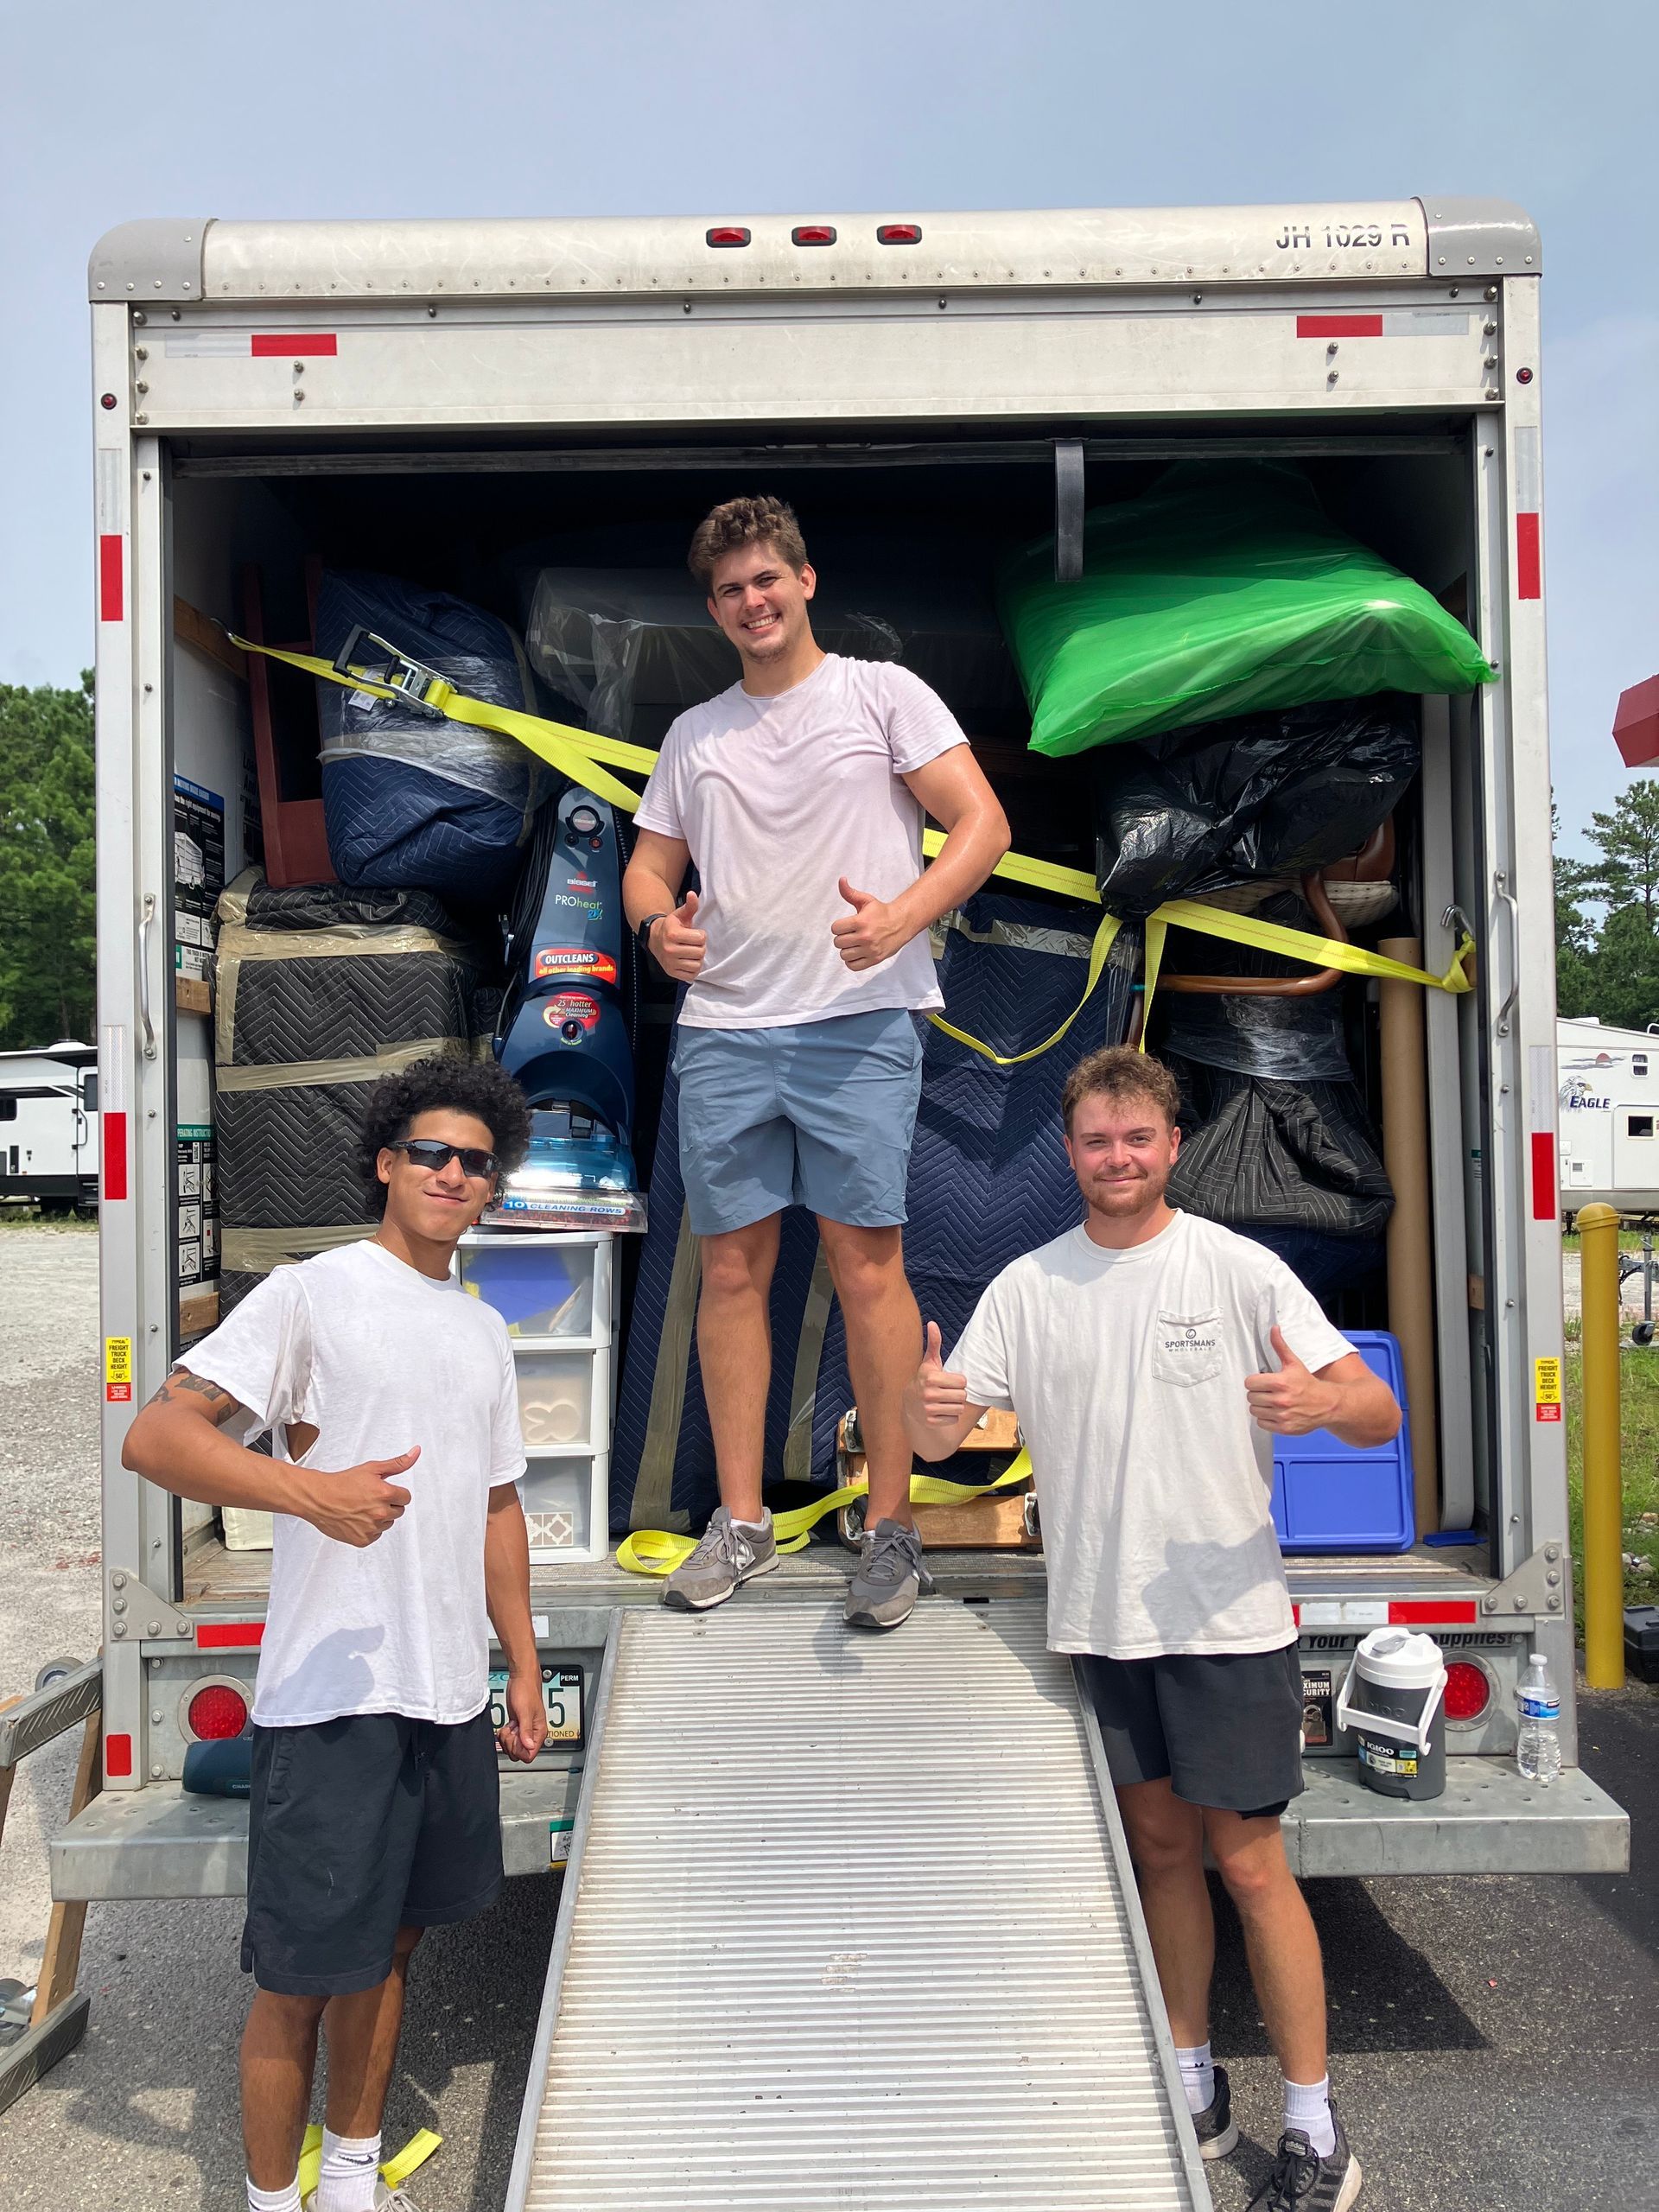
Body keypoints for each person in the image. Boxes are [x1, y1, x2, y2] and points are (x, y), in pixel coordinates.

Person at [903, 1045, 1397, 2211]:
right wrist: (924, 1415)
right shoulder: (1029, 1285)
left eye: (1137, 1138)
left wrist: (1325, 1401)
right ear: (1066, 1152)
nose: (1116, 1158)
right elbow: (939, 1440)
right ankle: (1193, 2085)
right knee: (1164, 1856)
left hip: (1227, 1626)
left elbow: (1375, 1411)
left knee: (1249, 1862)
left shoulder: (1238, 1268)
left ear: (1173, 1146)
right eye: (1094, 1140)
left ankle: (1316, 2123)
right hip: (1103, 1624)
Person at [122, 1058, 546, 2212]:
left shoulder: (481, 1332)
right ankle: (273, 2202)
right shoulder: (313, 1294)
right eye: (431, 1153)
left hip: (445, 1694)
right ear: (386, 1164)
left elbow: (498, 1508)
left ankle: (350, 2180)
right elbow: (157, 1439)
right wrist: (311, 1493)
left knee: (397, 1949)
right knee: (303, 1979)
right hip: (331, 1703)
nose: (454, 1174)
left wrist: (518, 1666)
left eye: (475, 1161)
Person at [623, 494, 1009, 1628]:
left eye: (769, 580)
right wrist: (658, 929)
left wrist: (904, 918)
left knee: (867, 1272)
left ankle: (891, 1532)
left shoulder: (883, 694)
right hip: (727, 1032)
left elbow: (981, 826)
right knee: (732, 1275)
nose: (754, 601)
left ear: (806, 581)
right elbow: (650, 873)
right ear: (714, 608)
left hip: (860, 1027)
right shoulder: (696, 736)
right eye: (733, 589)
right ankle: (740, 1521)